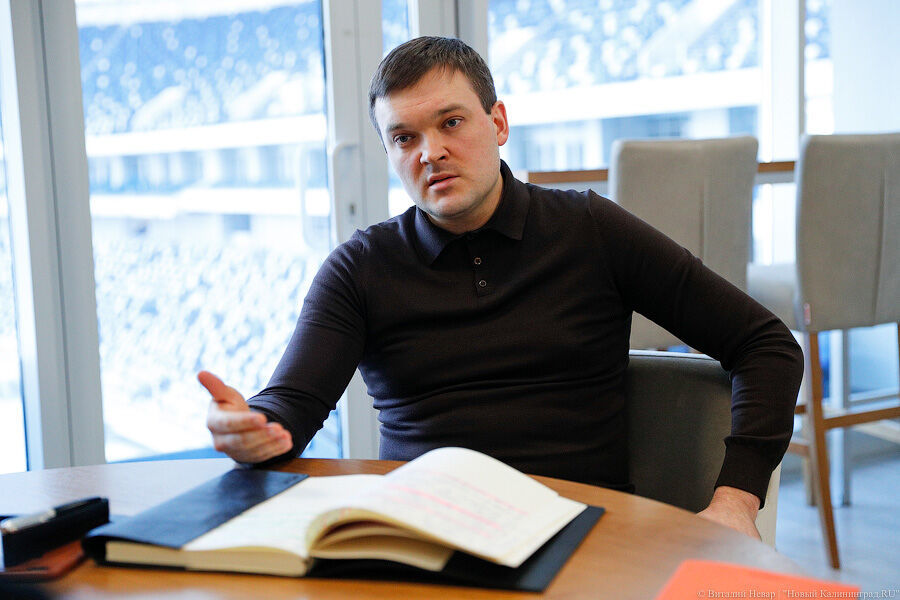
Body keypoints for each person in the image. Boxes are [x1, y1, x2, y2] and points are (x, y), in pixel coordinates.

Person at [202, 36, 803, 539]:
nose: (431, 152)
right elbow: (290, 410)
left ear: (498, 123)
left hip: (581, 536)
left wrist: (736, 501)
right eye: (404, 138)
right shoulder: (360, 266)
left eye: (451, 122)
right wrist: (251, 429)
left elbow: (765, 344)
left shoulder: (590, 229)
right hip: (424, 538)